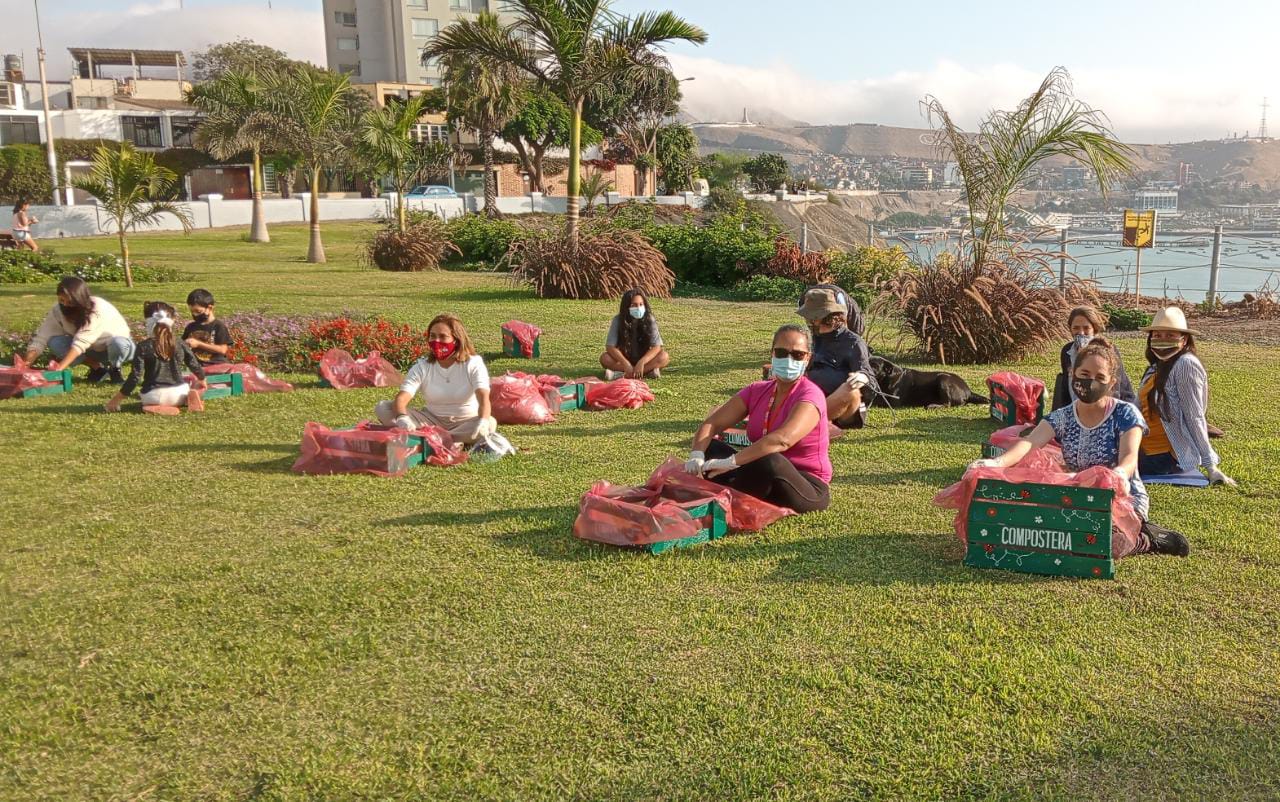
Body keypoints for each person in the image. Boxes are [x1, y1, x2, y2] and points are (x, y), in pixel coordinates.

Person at [971, 337, 1189, 557]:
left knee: (1104, 544)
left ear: (1112, 383)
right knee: (1048, 533)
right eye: (1084, 374)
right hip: (1077, 496)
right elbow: (1030, 442)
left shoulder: (1125, 413)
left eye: (1100, 377)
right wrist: (996, 463)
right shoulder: (1063, 416)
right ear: (1072, 374)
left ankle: (1147, 539)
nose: (1091, 382)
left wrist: (1120, 474)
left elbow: (1130, 456)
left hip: (1123, 499)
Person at [684, 324, 831, 513]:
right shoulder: (757, 390)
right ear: (772, 354)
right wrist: (697, 455)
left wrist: (731, 462)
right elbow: (712, 423)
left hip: (805, 485)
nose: (789, 360)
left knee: (768, 460)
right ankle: (729, 491)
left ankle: (727, 500)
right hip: (760, 474)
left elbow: (783, 440)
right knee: (711, 447)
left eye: (797, 355)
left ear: (807, 358)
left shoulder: (810, 395)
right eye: (781, 352)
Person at [1135, 307, 1235, 485]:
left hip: (1164, 457)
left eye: (1170, 335)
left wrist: (1211, 466)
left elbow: (1194, 416)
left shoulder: (1185, 364)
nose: (1163, 340)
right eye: (1157, 335)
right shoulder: (1157, 366)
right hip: (1142, 446)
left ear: (1184, 339)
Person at [375, 313, 496, 446]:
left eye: (443, 336)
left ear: (456, 340)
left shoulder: (473, 363)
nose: (436, 341)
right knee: (383, 408)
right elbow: (402, 398)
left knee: (490, 423)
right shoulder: (422, 366)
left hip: (466, 421)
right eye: (432, 336)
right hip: (430, 420)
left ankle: (432, 438)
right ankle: (451, 440)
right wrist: (402, 418)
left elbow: (483, 397)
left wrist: (483, 420)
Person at [22, 276, 135, 383]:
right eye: (61, 300)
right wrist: (25, 365)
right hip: (91, 350)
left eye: (70, 302)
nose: (65, 305)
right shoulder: (57, 310)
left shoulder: (97, 308)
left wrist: (58, 369)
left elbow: (81, 342)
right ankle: (98, 369)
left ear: (80, 298)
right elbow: (42, 337)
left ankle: (115, 369)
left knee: (118, 343)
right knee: (55, 342)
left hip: (118, 348)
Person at [795, 287, 876, 429]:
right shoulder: (817, 336)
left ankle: (806, 422)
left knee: (850, 391)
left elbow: (871, 381)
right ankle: (808, 420)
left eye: (810, 316)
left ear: (823, 316)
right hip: (814, 397)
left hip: (843, 407)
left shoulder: (853, 342)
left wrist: (863, 377)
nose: (807, 320)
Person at [105, 304, 206, 415]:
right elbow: (194, 364)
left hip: (154, 395)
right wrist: (202, 379)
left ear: (149, 324)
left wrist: (116, 400)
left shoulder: (143, 346)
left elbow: (135, 377)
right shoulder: (180, 343)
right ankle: (186, 399)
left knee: (148, 401)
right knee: (192, 385)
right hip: (180, 392)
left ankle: (154, 407)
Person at [1051, 305, 1136, 410]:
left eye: (1086, 328)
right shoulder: (1067, 351)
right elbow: (1066, 386)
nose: (1081, 333)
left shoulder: (1108, 350)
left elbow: (1115, 390)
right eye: (1076, 328)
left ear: (1094, 329)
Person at [601, 288, 669, 380]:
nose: (638, 308)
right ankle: (645, 373)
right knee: (605, 358)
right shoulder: (618, 320)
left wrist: (642, 362)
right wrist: (626, 363)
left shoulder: (649, 319)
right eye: (634, 305)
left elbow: (656, 347)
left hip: (644, 358)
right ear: (627, 307)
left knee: (664, 357)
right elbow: (610, 347)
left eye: (641, 304)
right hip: (624, 359)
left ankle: (624, 374)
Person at [183, 289, 232, 365]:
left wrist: (199, 344)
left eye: (198, 311)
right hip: (197, 367)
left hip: (216, 366)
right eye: (192, 311)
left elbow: (223, 350)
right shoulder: (191, 327)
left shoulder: (218, 326)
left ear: (209, 308)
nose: (195, 314)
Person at [797, 282, 864, 338]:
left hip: (851, 320)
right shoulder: (806, 298)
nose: (812, 321)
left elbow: (844, 323)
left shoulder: (837, 297)